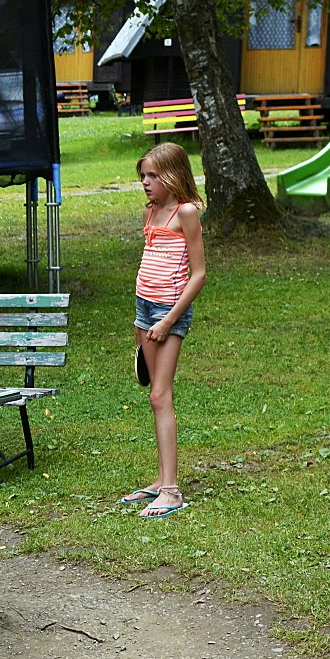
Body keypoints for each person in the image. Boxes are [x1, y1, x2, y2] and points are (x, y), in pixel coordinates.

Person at [121, 142, 207, 520]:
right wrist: (140, 319)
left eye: (153, 175)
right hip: (144, 309)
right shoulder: (150, 211)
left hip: (168, 313)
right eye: (143, 175)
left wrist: (169, 319)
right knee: (154, 395)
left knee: (161, 394)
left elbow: (199, 274)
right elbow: (152, 260)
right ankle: (160, 480)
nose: (145, 182)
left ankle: (172, 492)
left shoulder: (186, 212)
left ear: (173, 174)